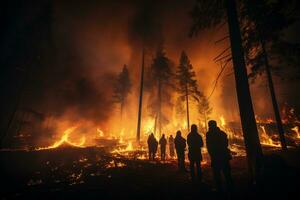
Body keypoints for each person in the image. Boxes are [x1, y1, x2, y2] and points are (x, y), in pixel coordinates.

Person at [206, 120, 233, 192]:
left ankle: (219, 189)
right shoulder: (222, 133)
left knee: (217, 174)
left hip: (216, 157)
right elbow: (226, 144)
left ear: (210, 126)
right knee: (227, 173)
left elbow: (209, 146)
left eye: (209, 125)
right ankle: (230, 188)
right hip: (224, 156)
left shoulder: (209, 134)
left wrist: (212, 154)